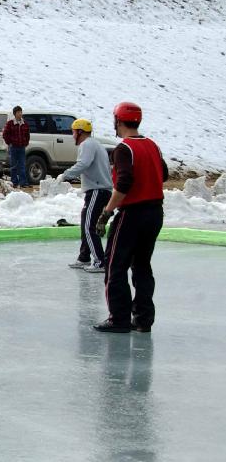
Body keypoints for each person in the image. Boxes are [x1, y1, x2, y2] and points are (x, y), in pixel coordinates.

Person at [93, 102, 168, 333]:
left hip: (132, 215)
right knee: (142, 265)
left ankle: (119, 319)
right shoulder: (152, 145)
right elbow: (163, 174)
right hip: (155, 213)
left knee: (115, 266)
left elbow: (124, 183)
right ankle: (144, 319)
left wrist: (106, 212)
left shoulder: (124, 149)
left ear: (118, 121)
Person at [61, 119, 113, 274]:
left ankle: (99, 261)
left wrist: (65, 175)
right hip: (99, 190)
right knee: (86, 222)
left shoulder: (87, 144)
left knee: (89, 226)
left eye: (73, 132)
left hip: (97, 190)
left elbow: (83, 164)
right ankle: (84, 257)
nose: (72, 136)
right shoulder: (96, 144)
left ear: (80, 132)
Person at [3, 105, 30, 187]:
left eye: (21, 112)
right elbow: (5, 134)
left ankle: (23, 182)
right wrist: (9, 143)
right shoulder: (10, 123)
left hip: (22, 147)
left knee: (22, 165)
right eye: (18, 112)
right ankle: (14, 182)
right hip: (13, 147)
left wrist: (26, 143)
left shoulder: (25, 123)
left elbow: (27, 135)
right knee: (13, 165)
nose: (20, 114)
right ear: (15, 114)